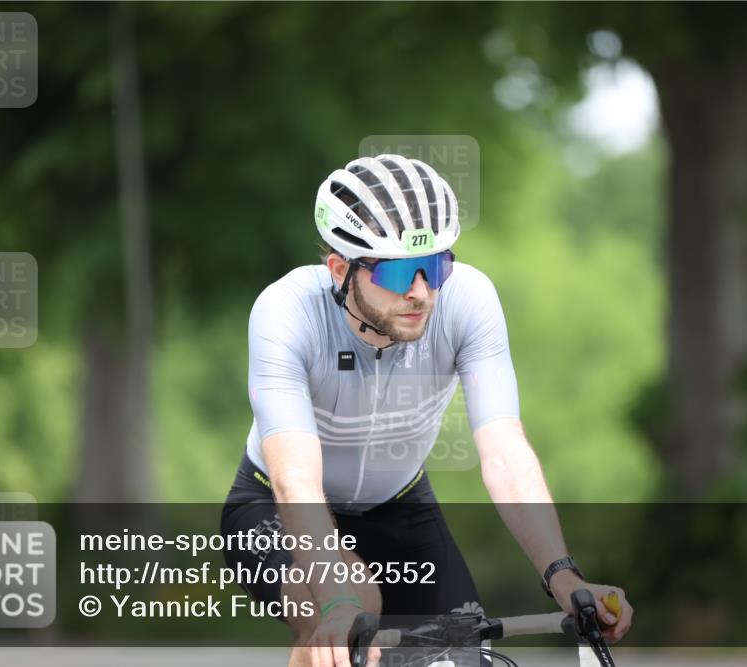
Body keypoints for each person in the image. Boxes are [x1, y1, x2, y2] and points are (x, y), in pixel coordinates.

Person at [221, 154, 633, 667]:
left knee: (458, 659)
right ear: (340, 270)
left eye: (436, 265)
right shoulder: (286, 312)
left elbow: (506, 454)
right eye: (397, 271)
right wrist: (342, 600)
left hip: (400, 503)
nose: (421, 292)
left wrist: (563, 575)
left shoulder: (470, 299)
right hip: (275, 506)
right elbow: (295, 480)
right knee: (352, 622)